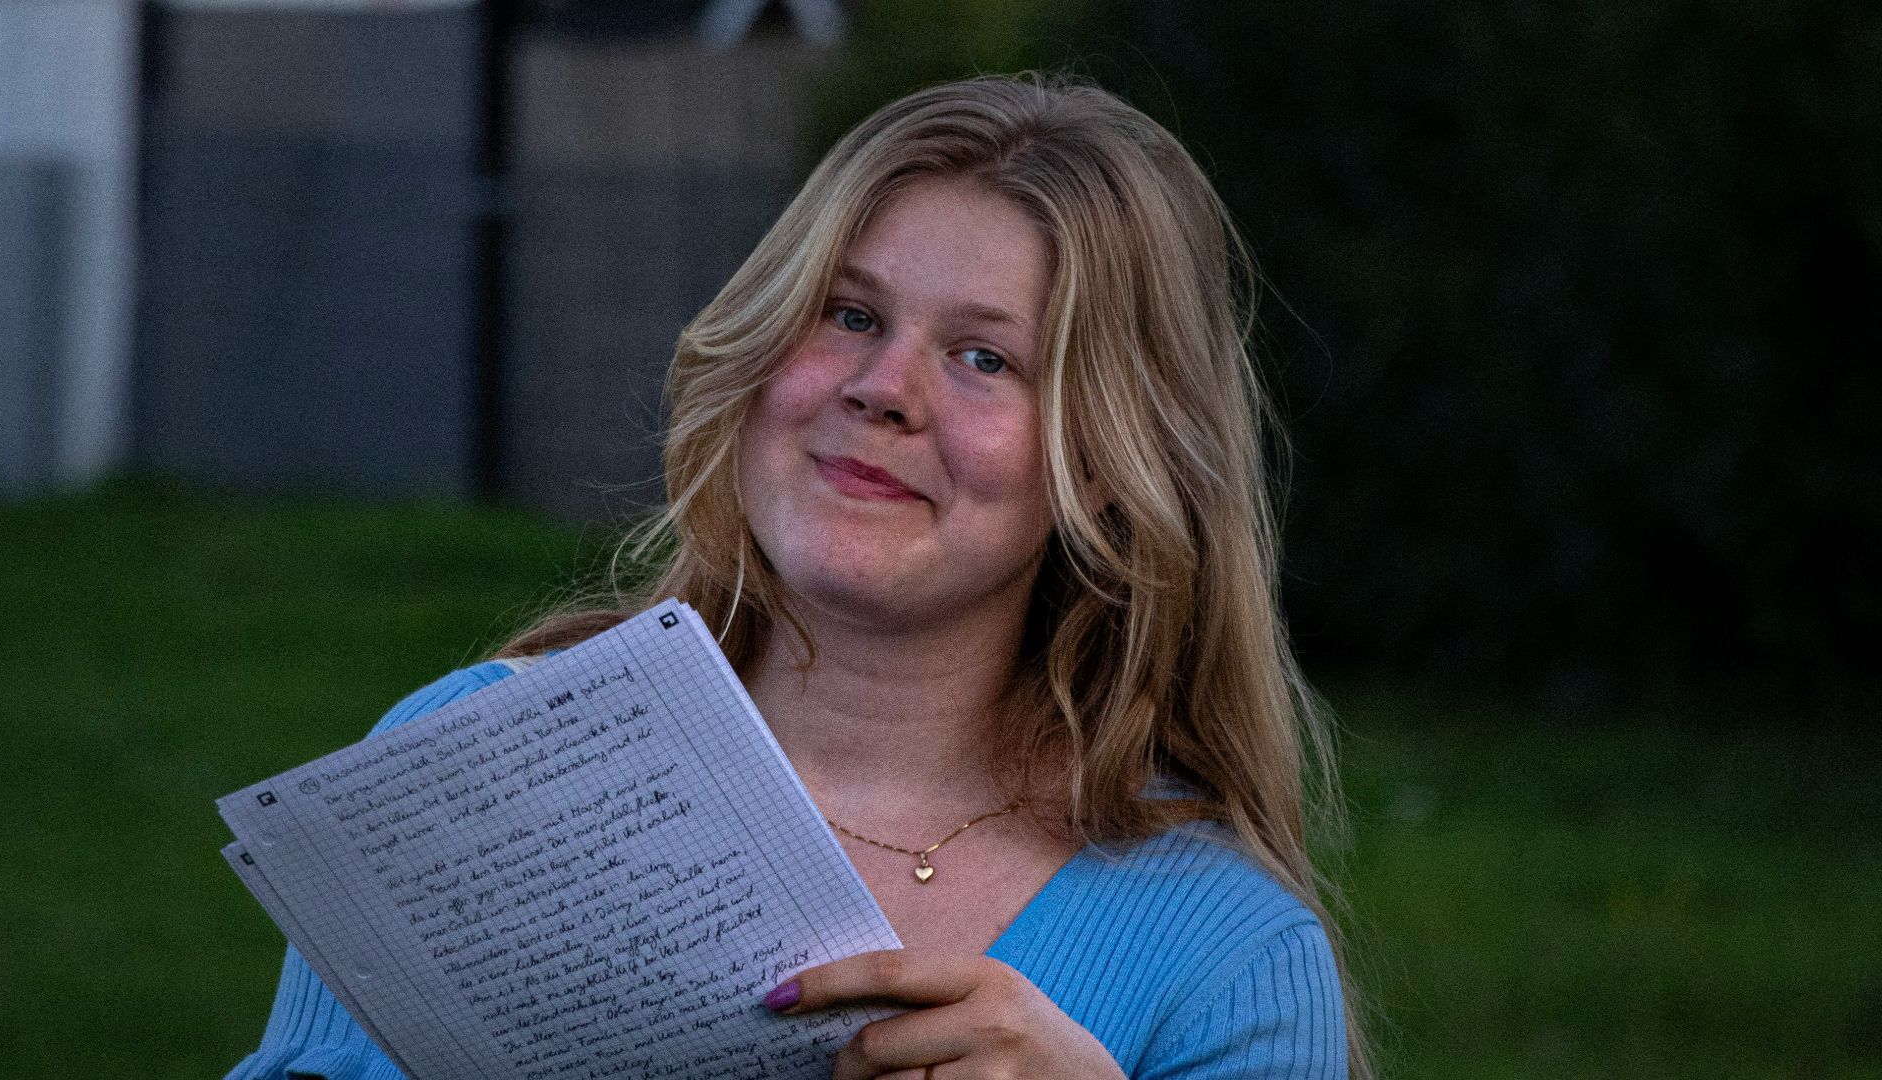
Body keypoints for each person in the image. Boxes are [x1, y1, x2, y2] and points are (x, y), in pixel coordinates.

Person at [229, 73, 1368, 1080]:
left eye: (986, 357)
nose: (883, 388)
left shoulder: (1229, 957)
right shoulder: (463, 765)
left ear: (1112, 462)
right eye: (851, 313)